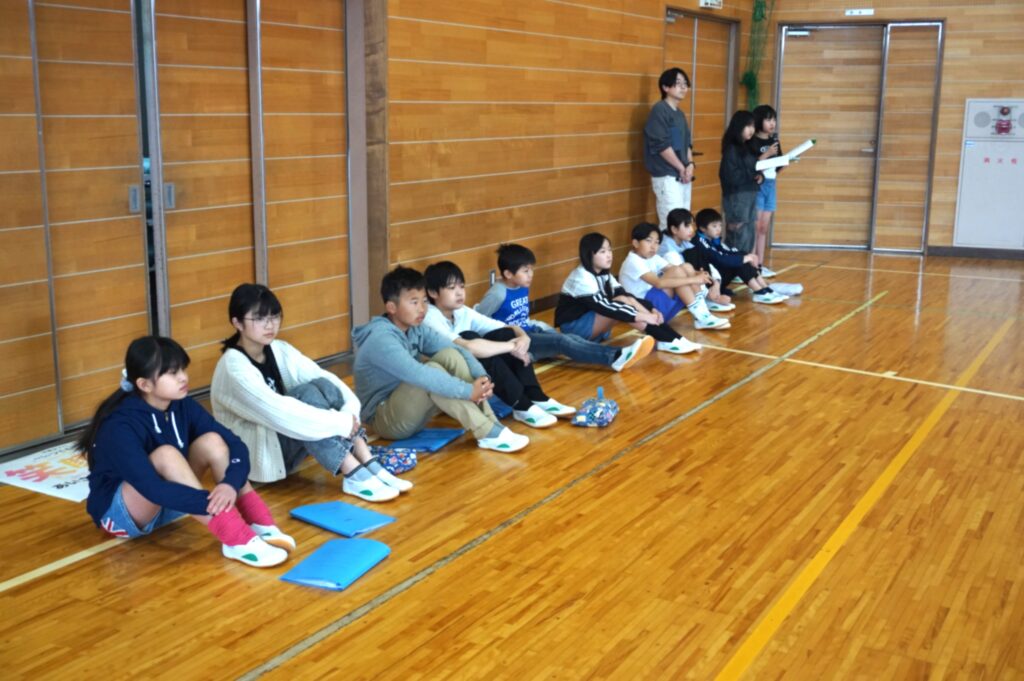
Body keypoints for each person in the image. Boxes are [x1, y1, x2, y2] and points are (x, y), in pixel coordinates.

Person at [81, 336, 292, 568]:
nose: (183, 377)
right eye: (172, 373)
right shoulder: (119, 425)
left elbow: (235, 444)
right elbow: (152, 488)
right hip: (122, 515)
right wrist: (215, 505)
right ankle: (235, 538)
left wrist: (229, 484)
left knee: (213, 441)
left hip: (168, 501)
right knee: (166, 454)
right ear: (144, 385)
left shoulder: (181, 404)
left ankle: (258, 523)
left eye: (182, 369)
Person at [211, 284, 411, 504]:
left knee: (321, 385)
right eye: (259, 319)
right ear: (237, 323)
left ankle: (366, 458)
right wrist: (340, 423)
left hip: (285, 440)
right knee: (305, 396)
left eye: (274, 316)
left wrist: (349, 414)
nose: (270, 325)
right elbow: (282, 414)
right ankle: (352, 471)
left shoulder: (278, 349)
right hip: (259, 457)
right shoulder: (233, 368)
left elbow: (326, 378)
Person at [352, 266, 530, 453]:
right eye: (414, 302)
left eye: (424, 301)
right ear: (392, 307)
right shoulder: (381, 338)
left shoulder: (415, 328)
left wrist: (482, 380)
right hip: (387, 420)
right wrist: (469, 391)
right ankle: (485, 431)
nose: (422, 308)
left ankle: (492, 425)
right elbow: (420, 375)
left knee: (450, 355)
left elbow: (456, 349)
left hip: (413, 409)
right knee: (431, 373)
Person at [423, 261, 575, 429]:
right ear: (432, 292)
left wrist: (523, 338)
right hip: (446, 376)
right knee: (471, 338)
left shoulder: (461, 311)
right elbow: (468, 347)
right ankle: (520, 404)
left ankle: (535, 395)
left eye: (462, 286)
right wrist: (513, 347)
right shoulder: (429, 316)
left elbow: (506, 327)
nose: (459, 292)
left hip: (470, 372)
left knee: (505, 334)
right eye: (451, 288)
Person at [476, 243, 655, 372]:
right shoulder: (497, 294)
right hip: (516, 341)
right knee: (563, 343)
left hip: (528, 332)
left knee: (569, 339)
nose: (531, 274)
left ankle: (618, 354)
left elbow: (520, 317)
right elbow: (477, 320)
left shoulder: (522, 285)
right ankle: (615, 357)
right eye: (525, 271)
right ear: (508, 274)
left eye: (531, 269)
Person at [554, 232, 701, 354]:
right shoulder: (581, 277)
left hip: (593, 326)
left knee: (626, 298)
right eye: (602, 252)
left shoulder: (604, 275)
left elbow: (628, 296)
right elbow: (605, 307)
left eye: (609, 250)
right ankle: (666, 339)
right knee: (621, 302)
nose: (609, 255)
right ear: (589, 255)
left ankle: (673, 338)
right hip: (574, 330)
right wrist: (643, 316)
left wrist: (651, 309)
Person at [618, 221, 730, 330]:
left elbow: (679, 269)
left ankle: (702, 314)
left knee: (686, 266)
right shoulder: (633, 261)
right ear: (636, 243)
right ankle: (701, 316)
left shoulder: (653, 257)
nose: (653, 246)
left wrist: (697, 273)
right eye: (649, 241)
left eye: (657, 242)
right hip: (646, 311)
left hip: (658, 306)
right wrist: (694, 279)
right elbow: (658, 283)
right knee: (677, 272)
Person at [693, 208, 787, 304]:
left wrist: (747, 256)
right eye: (714, 226)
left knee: (742, 256)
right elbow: (719, 259)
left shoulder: (711, 239)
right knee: (740, 262)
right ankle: (759, 292)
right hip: (709, 283)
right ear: (703, 228)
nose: (719, 229)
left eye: (720, 225)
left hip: (717, 279)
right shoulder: (700, 242)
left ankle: (765, 288)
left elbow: (725, 252)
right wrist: (743, 259)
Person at [644, 67, 695, 231]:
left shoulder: (680, 114)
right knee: (671, 225)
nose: (683, 87)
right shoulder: (659, 110)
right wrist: (681, 167)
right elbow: (662, 145)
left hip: (683, 176)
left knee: (684, 225)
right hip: (667, 176)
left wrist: (690, 165)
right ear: (665, 87)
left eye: (685, 83)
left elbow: (686, 144)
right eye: (678, 83)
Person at [659, 208, 734, 311]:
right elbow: (685, 272)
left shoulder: (685, 241)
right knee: (683, 262)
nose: (692, 230)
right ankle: (706, 297)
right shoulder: (667, 249)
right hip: (669, 292)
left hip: (689, 286)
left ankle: (706, 296)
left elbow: (706, 262)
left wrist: (716, 282)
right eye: (687, 226)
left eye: (692, 225)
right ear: (674, 230)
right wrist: (708, 293)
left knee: (698, 253)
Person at [719, 110, 763, 254]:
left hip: (750, 193)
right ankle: (736, 261)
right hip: (737, 196)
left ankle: (746, 261)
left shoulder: (748, 147)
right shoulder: (731, 149)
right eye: (748, 126)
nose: (751, 130)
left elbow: (754, 168)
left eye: (753, 126)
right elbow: (730, 175)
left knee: (749, 229)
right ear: (738, 126)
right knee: (739, 230)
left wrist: (760, 176)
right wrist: (752, 175)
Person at [749, 105, 782, 276]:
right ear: (759, 121)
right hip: (758, 185)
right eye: (768, 120)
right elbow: (750, 165)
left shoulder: (774, 141)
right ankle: (751, 264)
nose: (772, 123)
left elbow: (779, 162)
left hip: (771, 184)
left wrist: (788, 160)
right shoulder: (752, 141)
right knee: (755, 227)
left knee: (764, 228)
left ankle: (760, 265)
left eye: (774, 120)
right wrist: (767, 154)